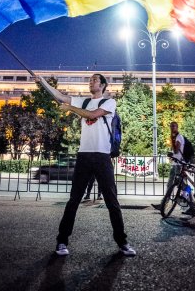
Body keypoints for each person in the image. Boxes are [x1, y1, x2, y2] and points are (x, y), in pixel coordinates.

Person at [37, 73, 136, 257]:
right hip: (84, 156)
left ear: (103, 85)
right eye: (90, 80)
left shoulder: (109, 103)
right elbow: (59, 96)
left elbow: (92, 115)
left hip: (102, 157)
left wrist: (70, 108)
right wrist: (43, 82)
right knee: (74, 200)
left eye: (95, 80)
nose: (91, 82)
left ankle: (122, 242)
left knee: (111, 201)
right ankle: (61, 242)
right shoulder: (82, 101)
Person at [166, 122, 195, 216]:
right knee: (169, 184)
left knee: (183, 185)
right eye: (171, 126)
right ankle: (164, 203)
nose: (172, 128)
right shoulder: (175, 137)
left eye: (173, 126)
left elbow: (176, 150)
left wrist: (172, 141)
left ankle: (192, 206)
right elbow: (175, 152)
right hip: (175, 164)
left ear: (177, 127)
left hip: (180, 164)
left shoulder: (179, 137)